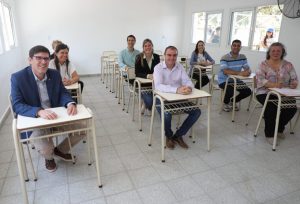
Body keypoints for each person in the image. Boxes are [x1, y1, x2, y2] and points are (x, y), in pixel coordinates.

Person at [11, 45, 85, 172]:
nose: (44, 62)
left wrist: (69, 103)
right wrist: (38, 111)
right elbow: (17, 105)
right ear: (30, 60)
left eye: (46, 58)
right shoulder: (18, 77)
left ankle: (60, 150)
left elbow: (63, 93)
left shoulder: (54, 74)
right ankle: (49, 157)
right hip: (35, 120)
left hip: (55, 116)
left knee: (82, 128)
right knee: (46, 149)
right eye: (38, 58)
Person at [153, 46, 201, 149]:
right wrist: (177, 90)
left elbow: (187, 80)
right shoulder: (158, 68)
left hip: (178, 99)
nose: (172, 58)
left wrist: (189, 87)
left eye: (174, 55)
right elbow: (158, 86)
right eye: (169, 55)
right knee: (167, 114)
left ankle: (178, 135)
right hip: (161, 100)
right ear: (164, 56)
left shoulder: (180, 67)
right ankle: (169, 136)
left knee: (196, 111)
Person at [256, 42, 298, 145]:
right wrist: (274, 85)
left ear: (282, 52)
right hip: (264, 92)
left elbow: (295, 78)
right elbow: (260, 80)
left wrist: (293, 84)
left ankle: (279, 129)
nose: (276, 53)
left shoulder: (288, 65)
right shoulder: (263, 64)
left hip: (284, 92)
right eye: (273, 50)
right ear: (269, 52)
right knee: (271, 106)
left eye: (278, 51)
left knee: (292, 107)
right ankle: (269, 134)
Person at [218, 39, 252, 112]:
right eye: (234, 45)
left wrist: (248, 72)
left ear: (240, 47)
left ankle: (232, 101)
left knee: (248, 91)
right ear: (231, 47)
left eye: (238, 46)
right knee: (230, 91)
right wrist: (240, 73)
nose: (236, 47)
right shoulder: (224, 57)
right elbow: (225, 71)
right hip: (224, 80)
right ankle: (225, 103)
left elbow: (247, 68)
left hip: (235, 80)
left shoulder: (242, 57)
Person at [135, 39, 160, 113]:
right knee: (150, 102)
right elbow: (137, 73)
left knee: (158, 100)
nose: (147, 47)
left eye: (149, 45)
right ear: (143, 47)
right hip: (143, 85)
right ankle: (147, 104)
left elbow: (158, 70)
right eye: (145, 46)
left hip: (154, 84)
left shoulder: (156, 57)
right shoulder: (139, 57)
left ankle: (145, 104)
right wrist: (147, 76)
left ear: (152, 46)